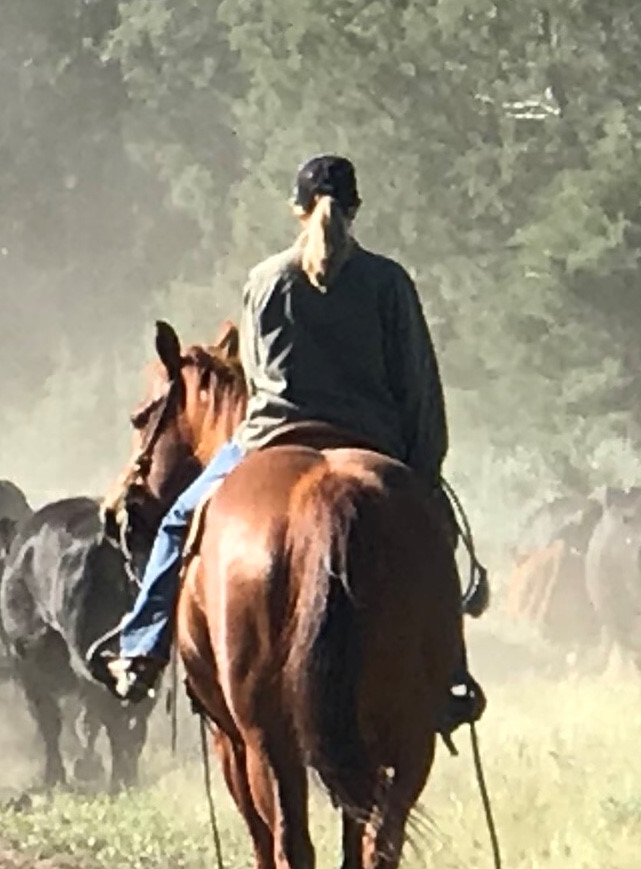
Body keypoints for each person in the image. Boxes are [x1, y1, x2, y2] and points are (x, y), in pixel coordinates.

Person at [95, 154, 484, 730]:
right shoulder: (389, 281)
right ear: (355, 209)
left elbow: (256, 379)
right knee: (433, 538)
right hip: (372, 439)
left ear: (297, 210)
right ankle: (449, 667)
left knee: (179, 520)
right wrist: (422, 470)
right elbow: (418, 386)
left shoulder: (265, 279)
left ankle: (143, 648)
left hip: (271, 436)